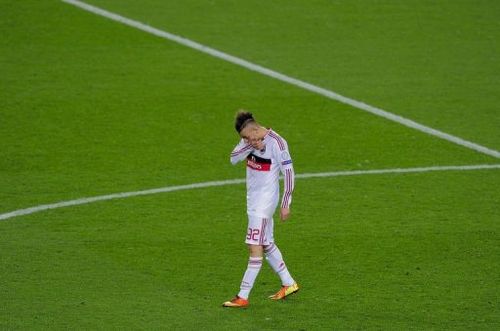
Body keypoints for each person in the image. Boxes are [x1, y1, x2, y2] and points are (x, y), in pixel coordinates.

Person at [223, 110, 299, 308]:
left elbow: (289, 174)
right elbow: (232, 158)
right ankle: (289, 283)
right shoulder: (248, 141)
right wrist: (250, 145)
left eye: (249, 137)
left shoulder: (278, 144)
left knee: (254, 247)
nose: (248, 140)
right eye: (245, 139)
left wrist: (285, 203)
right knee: (266, 243)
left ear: (256, 129)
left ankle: (242, 295)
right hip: (253, 202)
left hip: (264, 204)